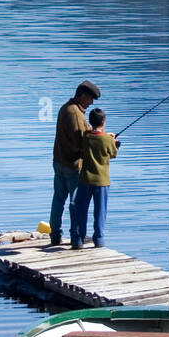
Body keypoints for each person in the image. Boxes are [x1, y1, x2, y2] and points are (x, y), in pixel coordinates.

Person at [50, 80, 101, 245]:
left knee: (58, 199)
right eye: (90, 99)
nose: (91, 103)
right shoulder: (75, 113)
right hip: (72, 165)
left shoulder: (66, 107)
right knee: (75, 202)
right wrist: (101, 140)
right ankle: (76, 236)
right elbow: (81, 141)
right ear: (83, 96)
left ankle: (55, 234)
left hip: (59, 161)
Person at [70, 108, 120, 249]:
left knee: (81, 210)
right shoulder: (107, 140)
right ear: (103, 122)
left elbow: (90, 136)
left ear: (90, 122)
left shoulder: (86, 137)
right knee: (100, 212)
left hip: (85, 180)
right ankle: (99, 240)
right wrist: (115, 142)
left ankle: (78, 240)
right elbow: (113, 154)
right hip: (102, 182)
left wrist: (106, 135)